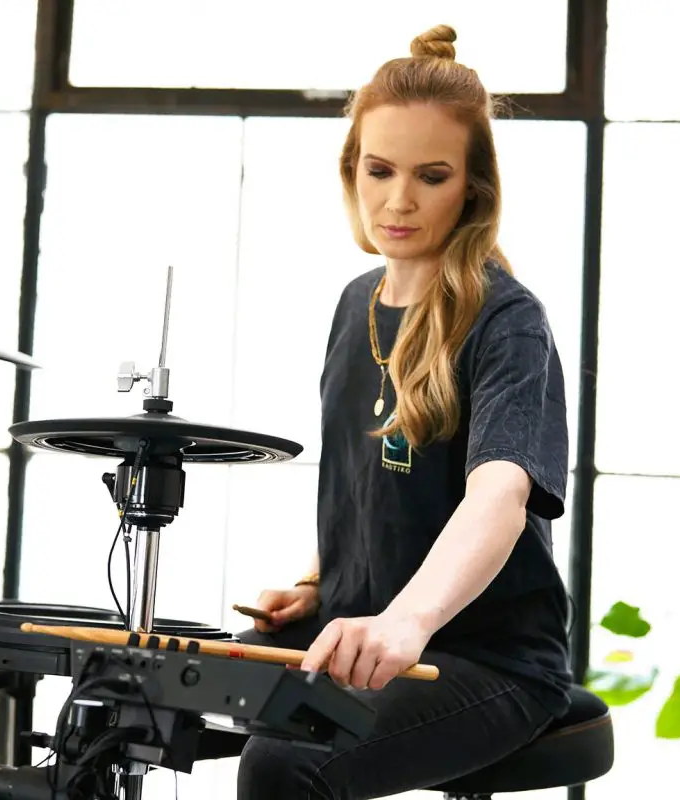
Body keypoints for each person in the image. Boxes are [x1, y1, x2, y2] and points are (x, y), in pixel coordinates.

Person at [234, 24, 574, 800]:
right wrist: (329, 584)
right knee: (162, 691)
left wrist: (405, 621)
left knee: (286, 761)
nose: (399, 199)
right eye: (380, 170)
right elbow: (387, 486)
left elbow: (499, 497)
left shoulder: (506, 319)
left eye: (431, 175)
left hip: (488, 661)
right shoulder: (356, 303)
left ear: (472, 187)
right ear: (351, 171)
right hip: (371, 626)